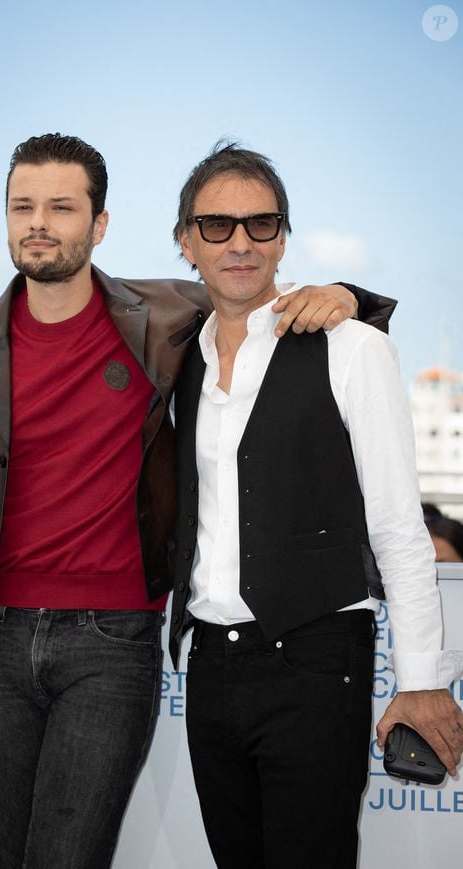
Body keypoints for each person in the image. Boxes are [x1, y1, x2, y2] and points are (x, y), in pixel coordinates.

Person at [0, 133, 390, 869]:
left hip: (110, 641)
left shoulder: (160, 317)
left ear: (98, 225)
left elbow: (249, 282)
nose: (39, 222)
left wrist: (352, 296)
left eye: (61, 207)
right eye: (22, 205)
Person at [169, 142, 463, 869]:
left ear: (283, 238)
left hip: (316, 658)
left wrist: (423, 680)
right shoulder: (177, 353)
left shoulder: (351, 346)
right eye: (216, 225)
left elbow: (399, 525)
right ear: (186, 243)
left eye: (261, 224)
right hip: (209, 666)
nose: (240, 241)